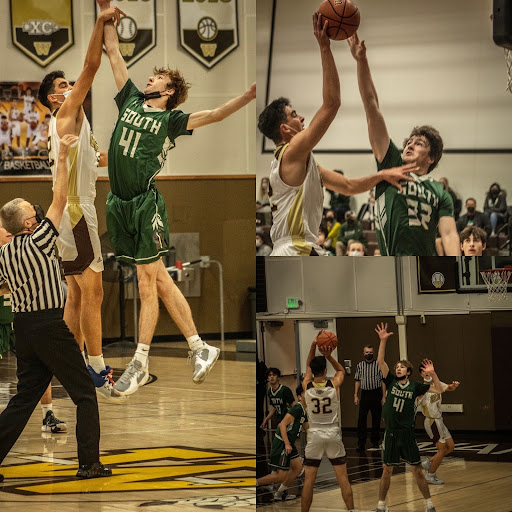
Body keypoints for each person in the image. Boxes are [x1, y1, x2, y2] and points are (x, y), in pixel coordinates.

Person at [96, 0, 255, 394]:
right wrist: (103, 11)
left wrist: (249, 96)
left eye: (156, 78)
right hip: (118, 203)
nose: (149, 79)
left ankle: (139, 362)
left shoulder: (171, 121)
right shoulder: (131, 100)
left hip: (144, 204)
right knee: (162, 282)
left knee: (148, 285)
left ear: (168, 91)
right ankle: (200, 347)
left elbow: (215, 114)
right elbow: (113, 52)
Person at [0, 133, 111, 481]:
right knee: (85, 394)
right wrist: (61, 156)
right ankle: (89, 464)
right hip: (49, 326)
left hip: (24, 329)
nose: (38, 211)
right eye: (34, 212)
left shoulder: (3, 254)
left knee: (23, 399)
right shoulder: (41, 239)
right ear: (29, 224)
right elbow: (61, 197)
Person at [257, 14, 416, 256]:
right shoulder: (291, 152)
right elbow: (332, 103)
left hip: (301, 248)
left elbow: (350, 186)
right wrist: (324, 47)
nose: (301, 119)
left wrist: (383, 174)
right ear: (285, 130)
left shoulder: (305, 164)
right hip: (295, 250)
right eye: (294, 115)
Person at [37, 6, 125, 403]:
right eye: (64, 84)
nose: (71, 85)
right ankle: (97, 366)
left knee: (75, 296)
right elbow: (92, 64)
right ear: (54, 97)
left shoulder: (72, 124)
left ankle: (68, 366)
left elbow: (94, 160)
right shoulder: (67, 111)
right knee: (94, 293)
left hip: (71, 211)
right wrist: (100, 20)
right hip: (75, 211)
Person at [347, 34, 460, 256]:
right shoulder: (390, 165)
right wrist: (361, 61)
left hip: (426, 268)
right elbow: (372, 107)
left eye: (419, 144)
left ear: (431, 158)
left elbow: (448, 234)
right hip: (393, 265)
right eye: (409, 142)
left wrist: (456, 266)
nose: (409, 145)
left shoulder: (440, 191)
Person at [0, 219, 67, 433]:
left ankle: (48, 413)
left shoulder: (25, 251)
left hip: (22, 321)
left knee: (41, 366)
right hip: (6, 322)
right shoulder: (4, 257)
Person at [374, 322, 446, 512]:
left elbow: (438, 389)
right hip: (391, 433)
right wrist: (382, 341)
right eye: (397, 366)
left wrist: (432, 373)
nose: (398, 368)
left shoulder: (415, 387)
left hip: (406, 434)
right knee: (386, 471)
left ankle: (429, 504)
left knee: (417, 471)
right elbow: (381, 362)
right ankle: (381, 505)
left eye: (401, 367)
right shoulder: (390, 382)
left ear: (408, 371)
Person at [301, 339, 355, 512]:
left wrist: (312, 346)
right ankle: (351, 510)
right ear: (325, 371)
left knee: (309, 480)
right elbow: (340, 370)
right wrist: (328, 355)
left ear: (311, 371)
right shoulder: (333, 385)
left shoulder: (306, 386)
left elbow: (308, 367)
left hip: (314, 434)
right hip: (332, 433)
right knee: (342, 478)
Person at [257, 384, 308, 502]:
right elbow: (282, 425)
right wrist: (286, 444)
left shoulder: (305, 411)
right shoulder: (297, 408)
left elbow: (308, 429)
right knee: (281, 476)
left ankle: (279, 494)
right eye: (307, 392)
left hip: (289, 443)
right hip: (282, 442)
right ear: (300, 397)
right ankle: (254, 483)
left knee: (297, 468)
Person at [417, 362, 460, 485]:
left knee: (451, 447)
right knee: (441, 450)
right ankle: (430, 475)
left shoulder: (437, 384)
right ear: (421, 374)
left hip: (439, 420)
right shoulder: (421, 388)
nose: (428, 373)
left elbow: (449, 388)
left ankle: (429, 462)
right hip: (431, 421)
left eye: (430, 371)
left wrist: (454, 385)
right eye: (425, 372)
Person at [354, 344, 385, 453]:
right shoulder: (360, 365)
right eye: (367, 352)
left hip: (376, 393)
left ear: (374, 353)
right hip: (365, 393)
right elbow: (357, 380)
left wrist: (384, 396)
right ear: (363, 353)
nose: (369, 354)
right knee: (362, 419)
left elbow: (382, 381)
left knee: (376, 418)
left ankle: (375, 441)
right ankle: (361, 442)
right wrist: (355, 395)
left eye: (370, 352)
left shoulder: (378, 364)